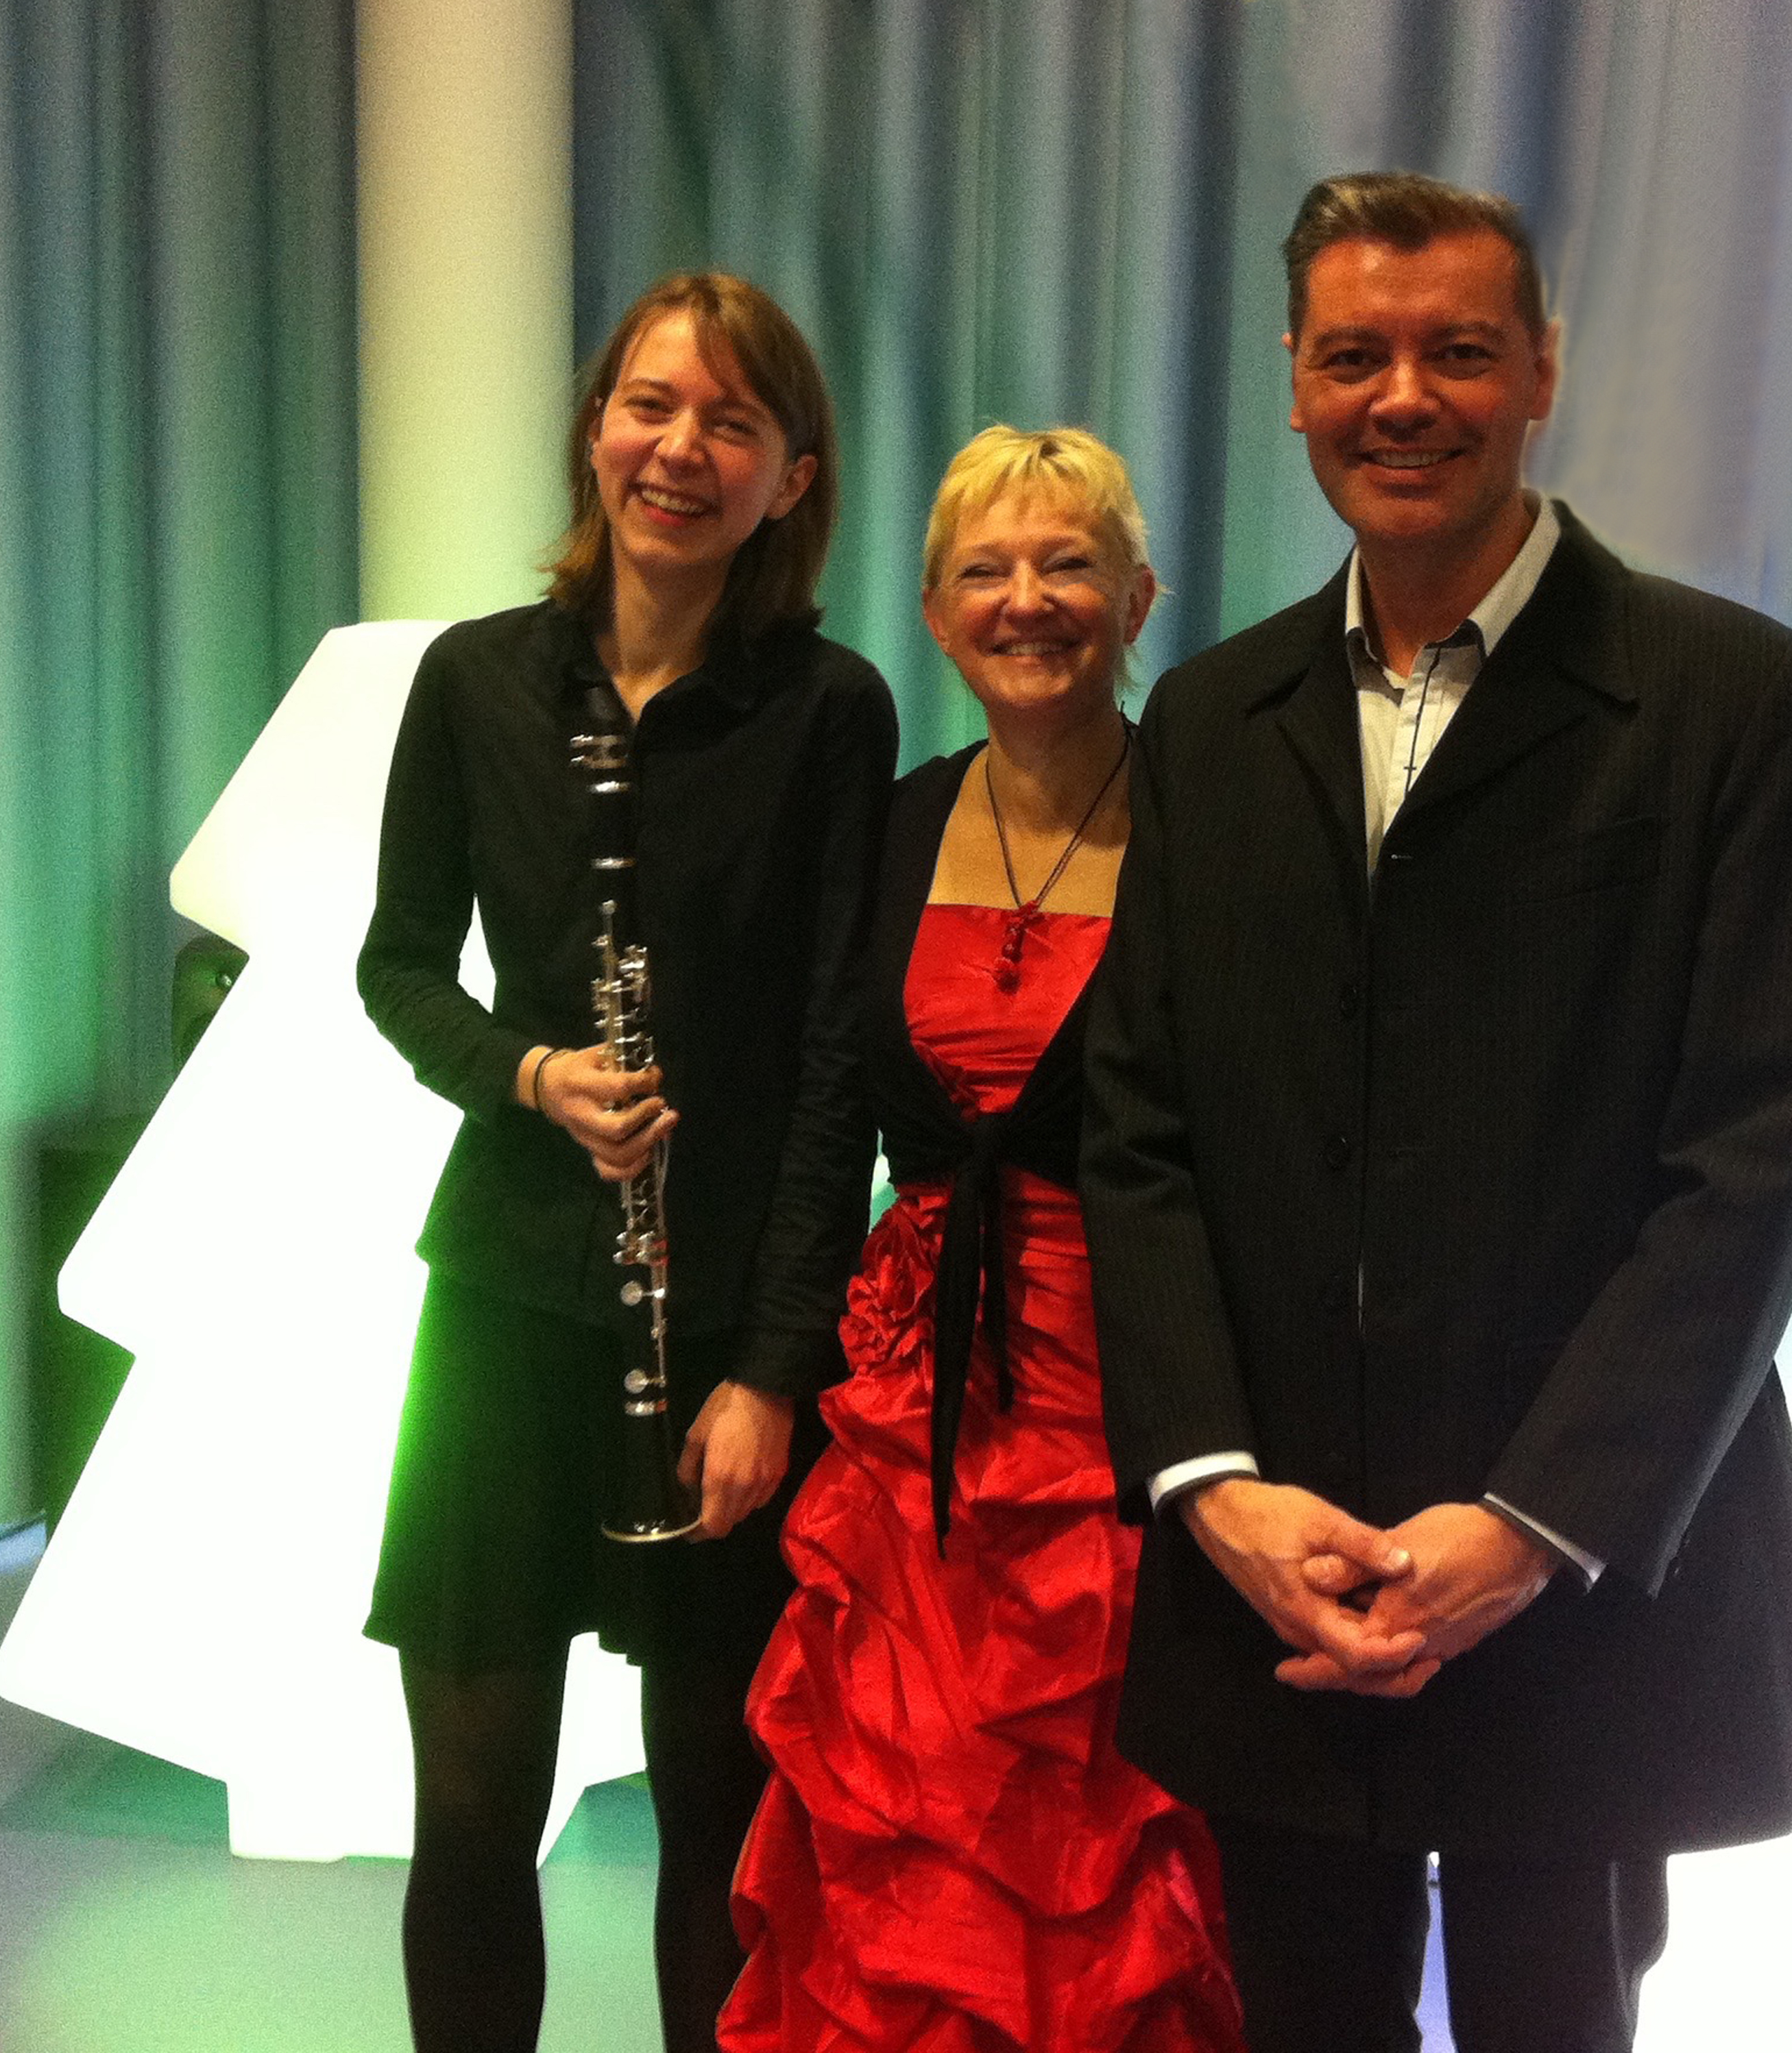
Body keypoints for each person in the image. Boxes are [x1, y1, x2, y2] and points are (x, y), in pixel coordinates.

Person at [1082, 173, 1792, 2053]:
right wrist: (1214, 1483)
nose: (1403, 397)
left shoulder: (1729, 697)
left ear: (1541, 372)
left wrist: (1528, 1522)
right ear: (1293, 380)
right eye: (1355, 355)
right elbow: (1139, 1123)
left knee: (1553, 2017)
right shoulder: (1208, 718)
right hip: (1278, 1549)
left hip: (1570, 1564)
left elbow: (1748, 1160)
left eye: (1458, 352)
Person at [357, 271, 897, 2053]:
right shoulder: (475, 679)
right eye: (649, 405)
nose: (680, 448)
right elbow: (397, 966)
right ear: (594, 428)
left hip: (726, 1328)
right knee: (468, 1807)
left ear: (790, 477)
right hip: (508, 1301)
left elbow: (835, 1060)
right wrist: (527, 1073)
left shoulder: (830, 710)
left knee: (718, 1826)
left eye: (731, 423)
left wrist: (776, 1368)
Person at [721, 426, 1243, 2053]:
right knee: (905, 1816)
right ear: (938, 615)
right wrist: (767, 1369)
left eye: (1068, 564)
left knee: (1106, 1827)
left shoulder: (1210, 821)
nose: (1028, 600)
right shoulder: (893, 823)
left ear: (1137, 601)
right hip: (911, 1415)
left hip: (1135, 1392)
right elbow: (827, 1110)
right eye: (986, 571)